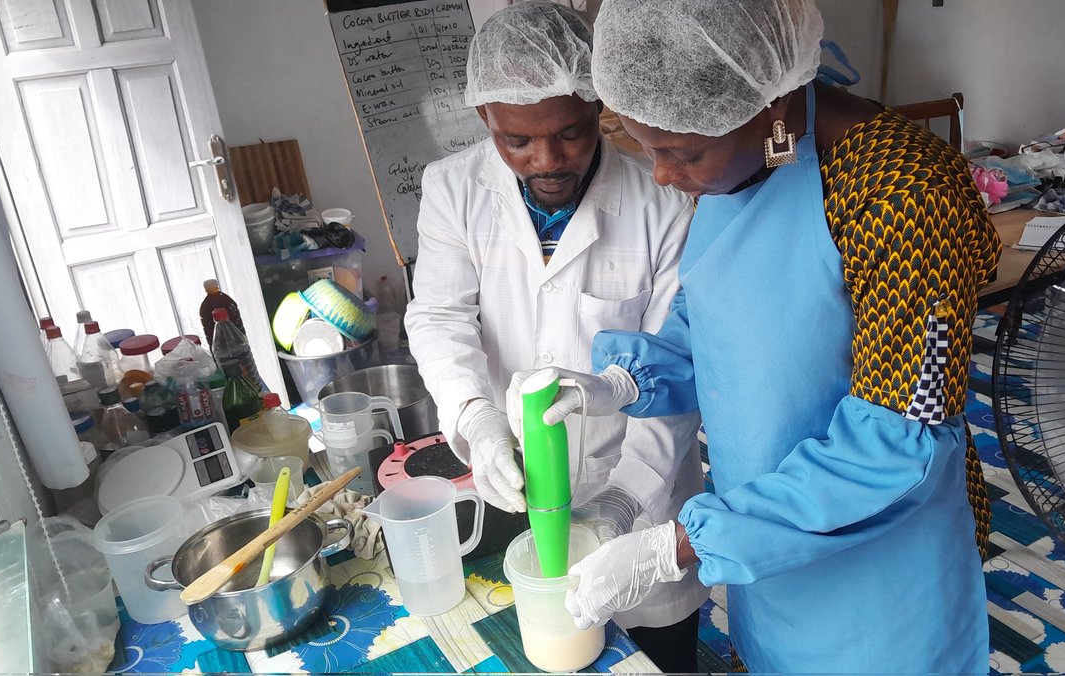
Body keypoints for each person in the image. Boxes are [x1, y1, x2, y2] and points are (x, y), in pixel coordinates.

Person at [508, 0, 1002, 672]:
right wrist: (622, 382)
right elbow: (715, 319)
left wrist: (677, 546)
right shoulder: (746, 163)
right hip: (765, 541)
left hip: (880, 572)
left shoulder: (905, 196)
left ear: (768, 105)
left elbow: (897, 442)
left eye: (681, 152)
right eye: (647, 148)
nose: (662, 175)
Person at [403, 3, 708, 671]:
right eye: (517, 140)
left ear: (598, 106)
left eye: (570, 133)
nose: (547, 160)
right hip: (519, 487)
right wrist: (476, 418)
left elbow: (679, 365)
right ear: (484, 116)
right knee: (539, 643)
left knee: (656, 651)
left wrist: (625, 499)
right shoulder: (452, 189)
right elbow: (439, 317)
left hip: (642, 485)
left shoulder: (664, 200)